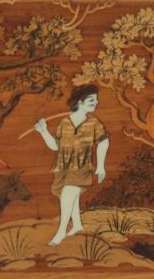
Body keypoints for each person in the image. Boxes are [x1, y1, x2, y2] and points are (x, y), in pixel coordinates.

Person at [33, 83, 111, 247]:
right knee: (68, 195)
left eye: (96, 100)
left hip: (82, 166)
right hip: (63, 166)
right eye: (91, 100)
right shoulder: (64, 122)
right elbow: (55, 146)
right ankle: (77, 224)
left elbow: (104, 142)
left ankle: (61, 231)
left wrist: (101, 166)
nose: (96, 103)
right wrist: (44, 132)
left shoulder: (94, 123)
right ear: (80, 101)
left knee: (69, 193)